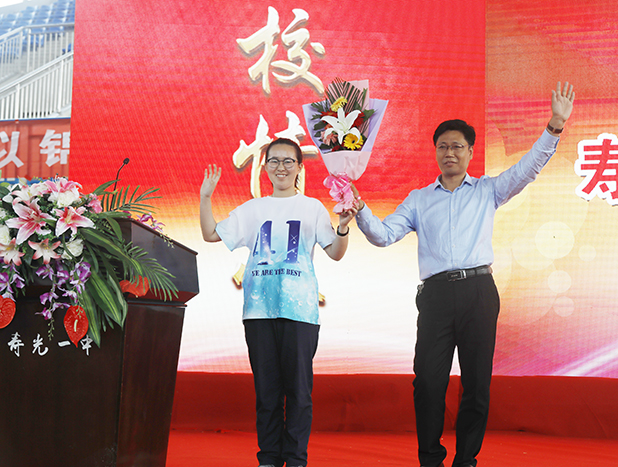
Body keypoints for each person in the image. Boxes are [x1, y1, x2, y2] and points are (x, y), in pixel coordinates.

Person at [352, 82, 575, 467]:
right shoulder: (419, 199)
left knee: (476, 383)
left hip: (478, 292)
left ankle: (466, 459)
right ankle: (430, 459)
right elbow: (384, 236)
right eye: (443, 146)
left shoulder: (488, 191)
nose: (450, 152)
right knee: (427, 381)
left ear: (470, 152)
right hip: (436, 296)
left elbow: (528, 168)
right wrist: (360, 210)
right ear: (436, 152)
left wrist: (554, 125)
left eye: (457, 146)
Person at [199, 138, 358, 467]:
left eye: (288, 161)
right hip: (258, 312)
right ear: (265, 166)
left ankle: (296, 459)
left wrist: (343, 227)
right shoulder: (253, 209)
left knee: (299, 391)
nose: (281, 167)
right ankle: (269, 458)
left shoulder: (312, 208)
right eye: (274, 161)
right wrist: (205, 197)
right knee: (267, 391)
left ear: (300, 167)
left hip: (300, 311)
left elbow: (335, 253)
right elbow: (211, 234)